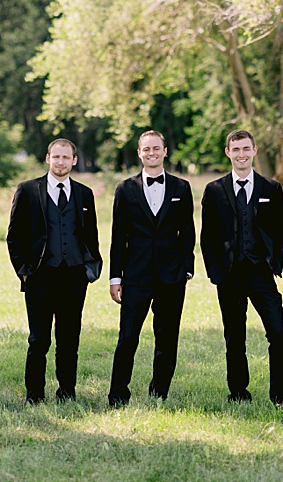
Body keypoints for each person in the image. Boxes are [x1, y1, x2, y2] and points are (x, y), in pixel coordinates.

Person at [6, 138, 102, 403]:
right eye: (56, 157)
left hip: (74, 275)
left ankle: (67, 392)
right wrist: (24, 271)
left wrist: (90, 267)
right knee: (39, 339)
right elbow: (14, 236)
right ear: (48, 158)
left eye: (66, 157)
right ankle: (34, 394)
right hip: (40, 275)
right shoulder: (28, 190)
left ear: (74, 160)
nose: (61, 162)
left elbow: (91, 235)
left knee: (69, 338)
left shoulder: (84, 193)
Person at [200, 129, 283, 405]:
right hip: (228, 275)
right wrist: (215, 272)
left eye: (246, 149)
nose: (241, 154)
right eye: (236, 149)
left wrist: (274, 262)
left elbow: (280, 231)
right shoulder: (214, 190)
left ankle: (281, 395)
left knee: (277, 332)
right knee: (234, 336)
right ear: (228, 153)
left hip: (261, 273)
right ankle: (238, 392)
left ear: (254, 151)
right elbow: (207, 236)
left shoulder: (270, 188)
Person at [106, 130, 196, 407]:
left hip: (172, 275)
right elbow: (118, 237)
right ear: (139, 153)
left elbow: (188, 231)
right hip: (135, 275)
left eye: (156, 148)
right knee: (127, 336)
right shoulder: (125, 189)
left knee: (167, 337)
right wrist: (115, 277)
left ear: (165, 151)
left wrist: (187, 268)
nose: (152, 153)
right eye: (146, 149)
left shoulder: (181, 187)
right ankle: (118, 394)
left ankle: (159, 393)